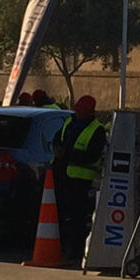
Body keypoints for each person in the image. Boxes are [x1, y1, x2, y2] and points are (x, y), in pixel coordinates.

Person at [52, 94, 107, 265]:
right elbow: (57, 137)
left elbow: (92, 155)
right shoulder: (70, 122)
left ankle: (75, 253)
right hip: (61, 174)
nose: (77, 114)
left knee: (77, 218)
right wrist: (57, 149)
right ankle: (59, 248)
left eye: (80, 112)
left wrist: (67, 154)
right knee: (59, 215)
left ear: (89, 113)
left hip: (80, 180)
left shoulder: (97, 130)